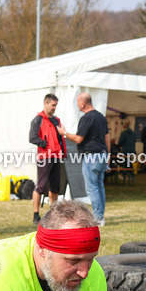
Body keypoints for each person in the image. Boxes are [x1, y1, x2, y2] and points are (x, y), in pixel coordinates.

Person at [62, 92, 109, 225]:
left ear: (83, 103)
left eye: (78, 103)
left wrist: (64, 133)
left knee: (92, 188)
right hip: (102, 154)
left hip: (91, 157)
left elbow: (78, 138)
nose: (77, 105)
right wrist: (108, 155)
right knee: (100, 187)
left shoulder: (86, 118)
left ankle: (98, 218)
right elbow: (107, 138)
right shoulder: (101, 117)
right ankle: (100, 215)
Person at [29, 93, 67, 223]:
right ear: (46, 103)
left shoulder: (57, 120)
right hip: (44, 157)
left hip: (57, 156)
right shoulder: (37, 120)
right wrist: (44, 143)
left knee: (55, 187)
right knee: (40, 186)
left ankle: (54, 213)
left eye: (56, 105)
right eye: (53, 105)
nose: (54, 107)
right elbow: (32, 137)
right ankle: (35, 215)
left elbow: (60, 137)